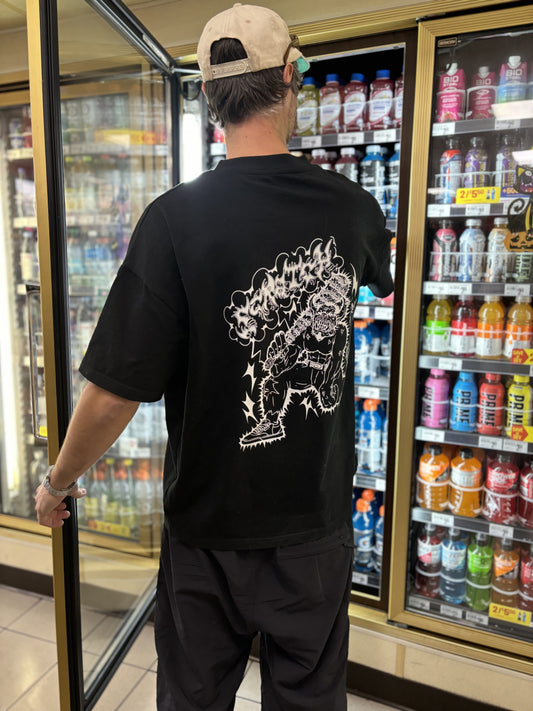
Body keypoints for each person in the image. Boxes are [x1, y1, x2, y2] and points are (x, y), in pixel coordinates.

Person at [35, 3, 393, 709]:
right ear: (290, 77)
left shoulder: (172, 219)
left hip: (206, 532)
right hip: (312, 526)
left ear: (207, 95)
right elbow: (381, 276)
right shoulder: (352, 209)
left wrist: (59, 481)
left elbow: (114, 391)